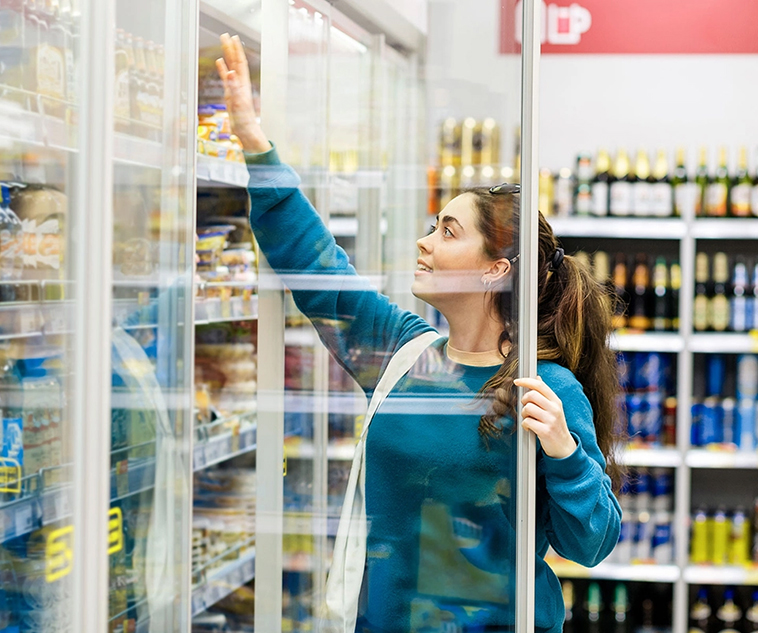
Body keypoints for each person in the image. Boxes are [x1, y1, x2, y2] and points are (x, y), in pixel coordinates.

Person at [216, 34, 622, 633]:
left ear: (495, 269)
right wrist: (255, 143)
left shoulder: (545, 387)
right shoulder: (406, 356)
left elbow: (592, 543)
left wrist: (563, 450)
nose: (424, 243)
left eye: (448, 231)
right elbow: (319, 269)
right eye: (432, 226)